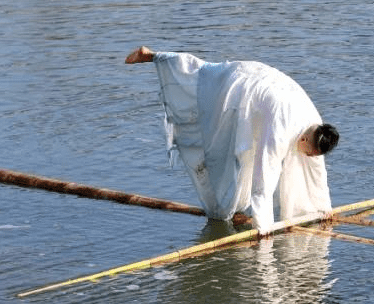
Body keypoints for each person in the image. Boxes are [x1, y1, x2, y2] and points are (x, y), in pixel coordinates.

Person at [125, 46, 339, 232]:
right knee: (204, 85)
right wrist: (264, 226)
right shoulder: (281, 130)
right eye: (309, 153)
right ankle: (154, 56)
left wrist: (324, 208)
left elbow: (317, 169)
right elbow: (264, 172)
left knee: (205, 70)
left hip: (261, 80)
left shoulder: (314, 123)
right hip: (238, 87)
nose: (310, 157)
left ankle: (155, 55)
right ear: (304, 140)